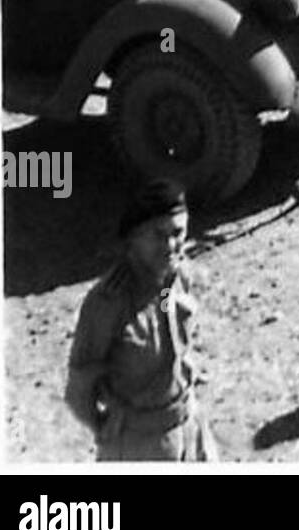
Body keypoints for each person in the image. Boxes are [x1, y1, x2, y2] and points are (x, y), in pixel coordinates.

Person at [65, 179, 217, 461]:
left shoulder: (179, 275)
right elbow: (78, 393)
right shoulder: (107, 304)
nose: (171, 244)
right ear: (133, 238)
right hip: (139, 445)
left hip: (189, 426)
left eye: (178, 232)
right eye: (159, 235)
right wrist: (110, 432)